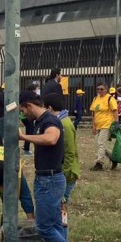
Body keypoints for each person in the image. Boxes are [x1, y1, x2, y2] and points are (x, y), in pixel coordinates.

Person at [18, 91, 84, 242]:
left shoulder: (50, 121)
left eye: (23, 110)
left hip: (50, 181)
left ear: (30, 105)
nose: (23, 114)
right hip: (47, 179)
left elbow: (51, 138)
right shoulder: (41, 121)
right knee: (55, 224)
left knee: (43, 227)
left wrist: (24, 138)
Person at [43, 93, 80, 232]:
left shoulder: (64, 124)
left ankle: (63, 234)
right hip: (64, 172)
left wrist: (64, 174)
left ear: (50, 108)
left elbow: (70, 152)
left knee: (62, 206)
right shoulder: (62, 122)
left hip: (67, 174)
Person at [89, 82, 118, 171]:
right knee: (99, 144)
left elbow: (115, 111)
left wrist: (117, 122)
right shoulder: (95, 99)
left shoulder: (110, 98)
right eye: (98, 89)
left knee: (101, 143)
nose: (99, 91)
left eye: (101, 89)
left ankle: (99, 163)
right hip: (98, 125)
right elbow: (93, 113)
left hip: (107, 125)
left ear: (106, 89)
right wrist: (93, 125)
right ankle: (113, 158)